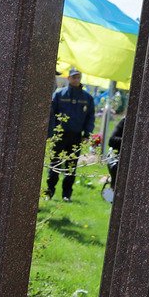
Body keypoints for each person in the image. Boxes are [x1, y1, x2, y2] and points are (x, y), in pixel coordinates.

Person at [46, 67, 95, 202]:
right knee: (54, 164)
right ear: (68, 78)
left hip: (76, 136)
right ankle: (49, 192)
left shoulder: (87, 98)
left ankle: (67, 195)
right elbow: (51, 115)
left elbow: (90, 117)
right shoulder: (59, 95)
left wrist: (87, 133)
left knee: (71, 166)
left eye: (78, 77)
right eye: (74, 77)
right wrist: (52, 133)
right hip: (60, 135)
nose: (76, 79)